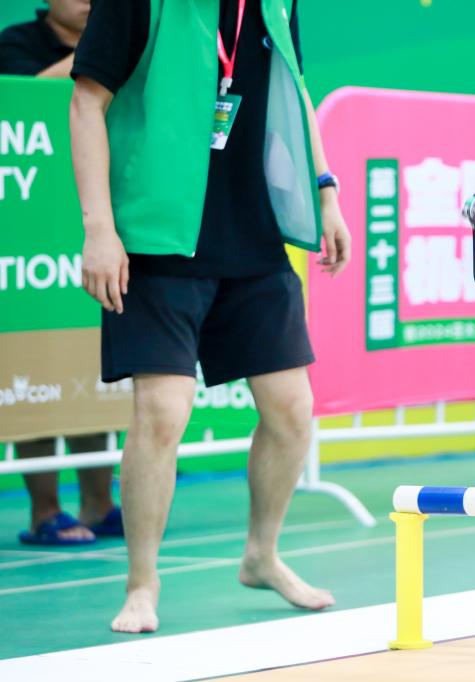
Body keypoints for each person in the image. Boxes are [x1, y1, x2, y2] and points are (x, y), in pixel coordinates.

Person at [69, 0, 351, 633]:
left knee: (292, 410)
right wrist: (99, 229)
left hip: (254, 237)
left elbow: (295, 89)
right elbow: (87, 102)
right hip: (159, 238)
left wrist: (325, 192)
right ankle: (142, 583)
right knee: (162, 413)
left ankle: (261, 555)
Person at [0, 0, 123, 546]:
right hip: (30, 235)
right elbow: (27, 101)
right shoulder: (16, 44)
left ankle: (100, 503)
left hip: (95, 223)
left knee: (89, 367)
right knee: (35, 374)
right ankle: (44, 510)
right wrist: (98, 54)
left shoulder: (122, 35)